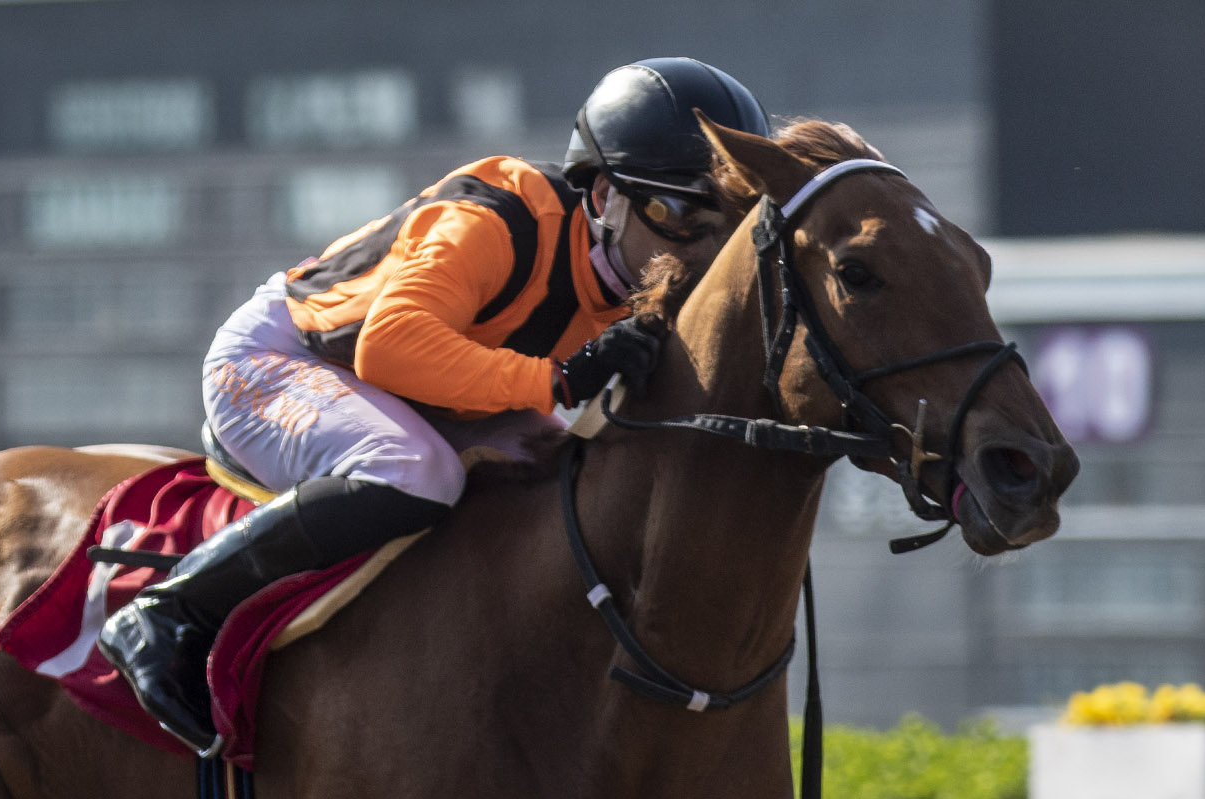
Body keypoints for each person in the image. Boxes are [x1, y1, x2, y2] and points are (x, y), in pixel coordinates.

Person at [98, 57, 770, 753]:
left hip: (427, 392)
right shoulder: (496, 218)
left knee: (567, 481)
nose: (704, 250)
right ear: (604, 196)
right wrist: (562, 381)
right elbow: (389, 348)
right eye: (677, 214)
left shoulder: (648, 277)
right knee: (416, 472)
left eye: (728, 224)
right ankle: (168, 613)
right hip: (283, 360)